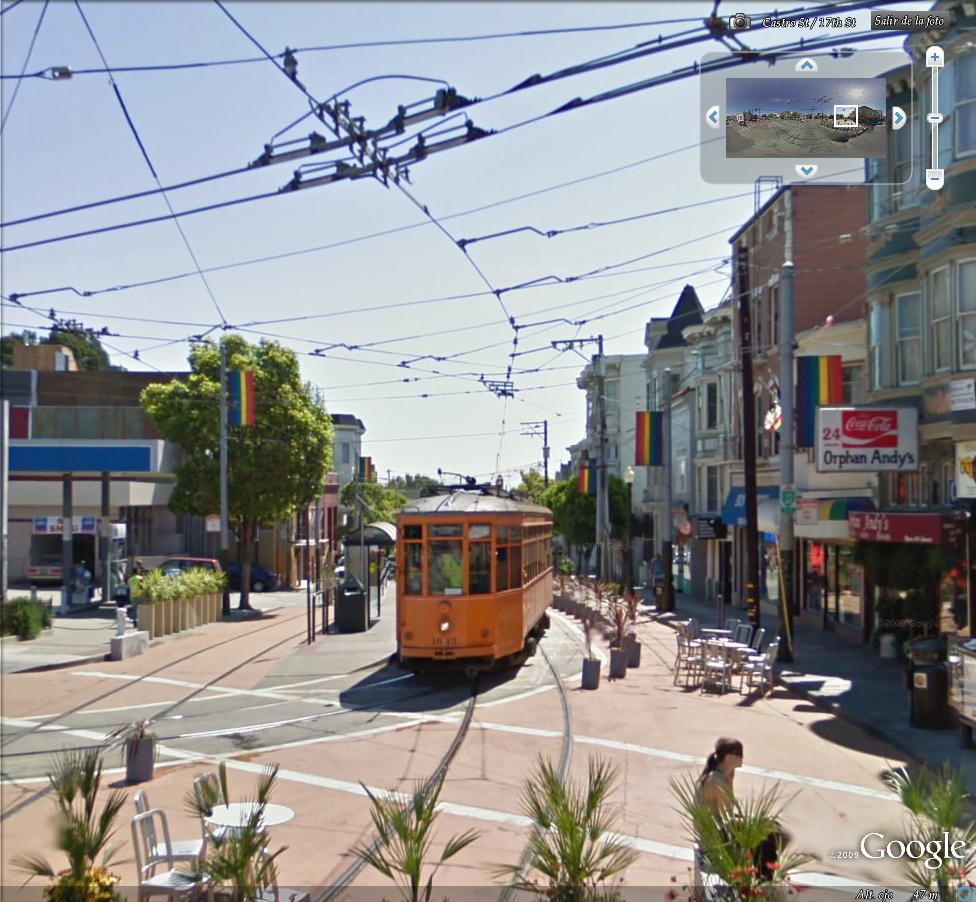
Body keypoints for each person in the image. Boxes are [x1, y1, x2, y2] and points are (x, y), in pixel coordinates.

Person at [699, 737, 782, 881]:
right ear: (730, 757)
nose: (742, 758)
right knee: (766, 842)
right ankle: (762, 879)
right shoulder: (716, 780)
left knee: (772, 829)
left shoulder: (723, 775)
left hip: (720, 828)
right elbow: (728, 814)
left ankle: (762, 877)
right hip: (713, 837)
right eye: (740, 755)